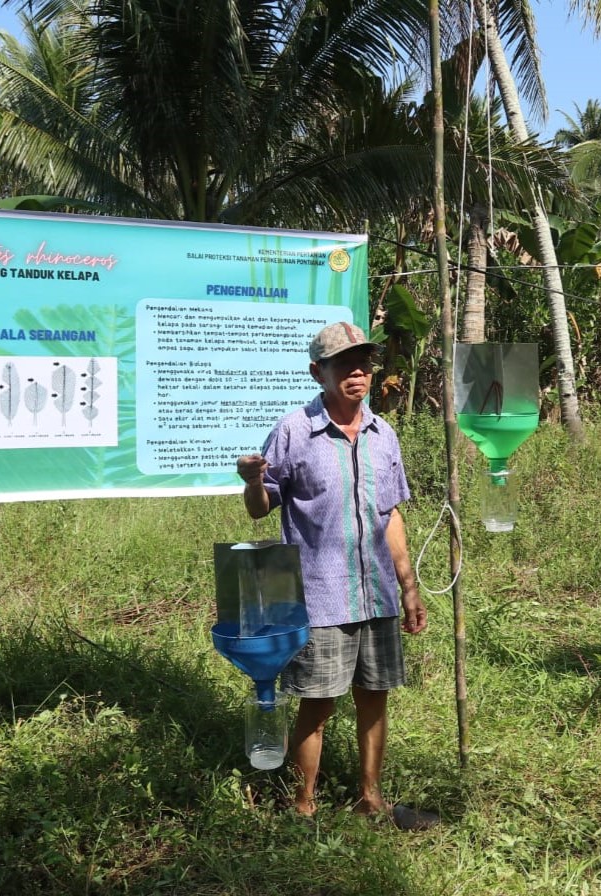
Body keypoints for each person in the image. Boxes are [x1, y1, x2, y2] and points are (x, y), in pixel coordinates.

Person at [235, 321, 437, 830]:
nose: (357, 373)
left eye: (363, 363)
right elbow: (260, 509)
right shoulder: (293, 431)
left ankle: (371, 798)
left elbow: (390, 515)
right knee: (317, 704)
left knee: (374, 698)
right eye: (344, 364)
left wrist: (408, 587)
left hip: (377, 595)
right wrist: (254, 481)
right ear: (317, 372)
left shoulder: (383, 435)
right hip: (321, 597)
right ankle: (303, 806)